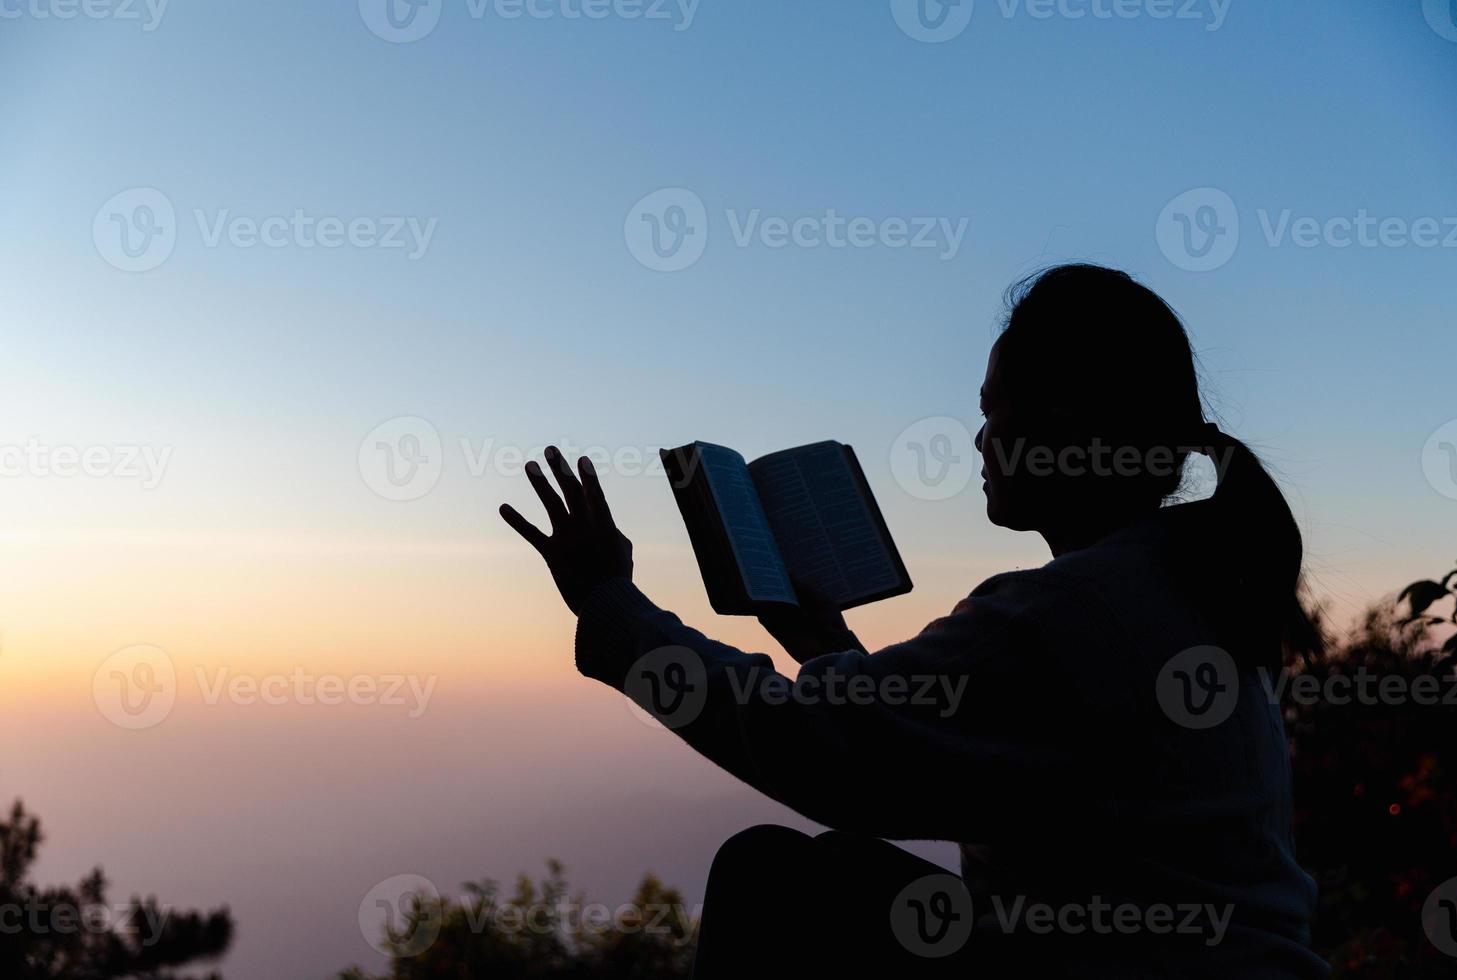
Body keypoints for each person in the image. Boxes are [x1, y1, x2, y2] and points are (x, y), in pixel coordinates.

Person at [500, 263, 1330, 978]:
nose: (976, 439)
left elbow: (817, 749)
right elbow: (957, 750)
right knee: (830, 877)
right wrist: (826, 645)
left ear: (1063, 429)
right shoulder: (1184, 586)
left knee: (773, 879)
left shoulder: (1074, 610)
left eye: (992, 408)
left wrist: (610, 602)